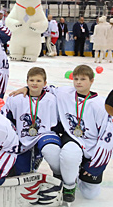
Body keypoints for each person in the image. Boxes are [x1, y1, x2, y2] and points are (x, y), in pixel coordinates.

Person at [10, 65, 113, 202]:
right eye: (76, 79)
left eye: (83, 79)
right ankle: (68, 185)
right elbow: (44, 88)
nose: (78, 82)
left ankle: (78, 173)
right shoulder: (65, 93)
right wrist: (26, 88)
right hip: (72, 138)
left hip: (92, 145)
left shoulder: (100, 104)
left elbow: (107, 138)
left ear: (92, 81)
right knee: (69, 153)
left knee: (90, 194)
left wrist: (97, 164)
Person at [2, 67, 61, 176]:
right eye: (32, 80)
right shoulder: (16, 98)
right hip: (22, 138)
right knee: (22, 173)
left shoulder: (52, 99)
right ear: (27, 82)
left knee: (51, 150)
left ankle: (61, 175)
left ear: (45, 83)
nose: (35, 83)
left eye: (38, 81)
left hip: (44, 136)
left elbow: (56, 123)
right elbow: (6, 119)